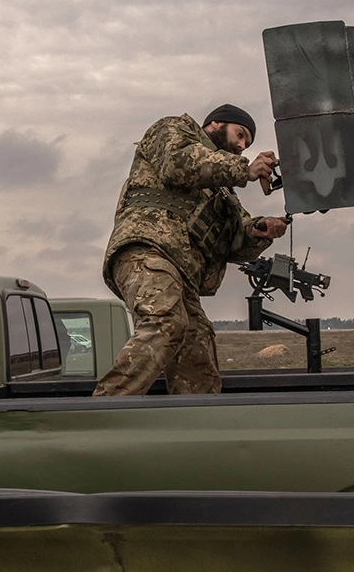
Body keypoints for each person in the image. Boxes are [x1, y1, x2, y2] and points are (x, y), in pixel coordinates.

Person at [93, 104, 288, 396]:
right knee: (165, 321)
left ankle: (198, 428)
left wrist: (260, 230)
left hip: (183, 274)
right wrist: (243, 169)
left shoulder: (222, 190)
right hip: (147, 251)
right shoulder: (173, 130)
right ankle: (102, 413)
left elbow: (235, 241)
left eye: (247, 142)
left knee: (197, 345)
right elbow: (178, 163)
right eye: (240, 134)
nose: (241, 145)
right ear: (215, 124)